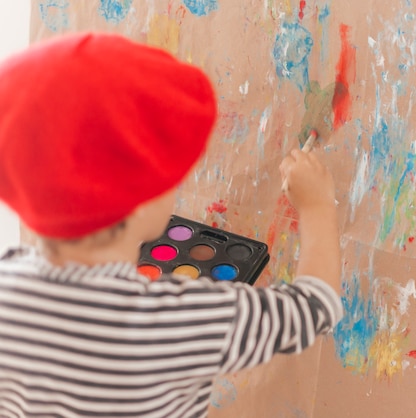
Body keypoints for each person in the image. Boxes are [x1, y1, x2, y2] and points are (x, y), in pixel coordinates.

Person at [0, 32, 342, 417]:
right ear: (141, 201)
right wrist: (316, 206)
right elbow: (315, 307)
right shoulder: (182, 323)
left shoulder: (7, 292)